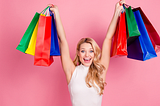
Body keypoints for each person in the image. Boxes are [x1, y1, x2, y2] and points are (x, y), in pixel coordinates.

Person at [49, 0, 125, 106]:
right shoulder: (71, 72)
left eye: (91, 51)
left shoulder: (100, 71)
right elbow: (62, 40)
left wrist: (117, 12)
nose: (87, 55)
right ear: (78, 54)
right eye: (83, 51)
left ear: (94, 54)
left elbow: (108, 38)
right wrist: (56, 14)